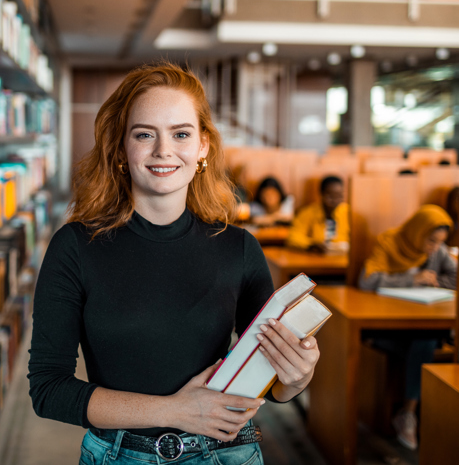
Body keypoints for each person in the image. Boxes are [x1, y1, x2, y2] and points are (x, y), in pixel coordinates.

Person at [28, 64, 321, 465]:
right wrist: (175, 411)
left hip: (227, 455)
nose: (163, 151)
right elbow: (48, 389)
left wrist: (298, 374)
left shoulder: (238, 247)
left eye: (180, 134)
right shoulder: (75, 247)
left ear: (202, 146)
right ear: (120, 148)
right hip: (120, 457)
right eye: (144, 134)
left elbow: (273, 387)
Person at [358, 205, 457, 450]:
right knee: (427, 345)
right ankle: (410, 414)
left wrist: (434, 282)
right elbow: (366, 280)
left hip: (421, 320)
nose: (434, 248)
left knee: (427, 339)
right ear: (418, 231)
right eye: (431, 241)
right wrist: (411, 280)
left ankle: (410, 412)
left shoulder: (437, 250)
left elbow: (454, 276)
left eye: (439, 243)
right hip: (385, 324)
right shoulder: (390, 242)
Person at [286, 175, 349, 253]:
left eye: (339, 196)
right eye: (330, 196)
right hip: (315, 258)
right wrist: (311, 245)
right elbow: (293, 237)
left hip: (342, 260)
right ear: (321, 194)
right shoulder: (308, 213)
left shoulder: (349, 213)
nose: (335, 201)